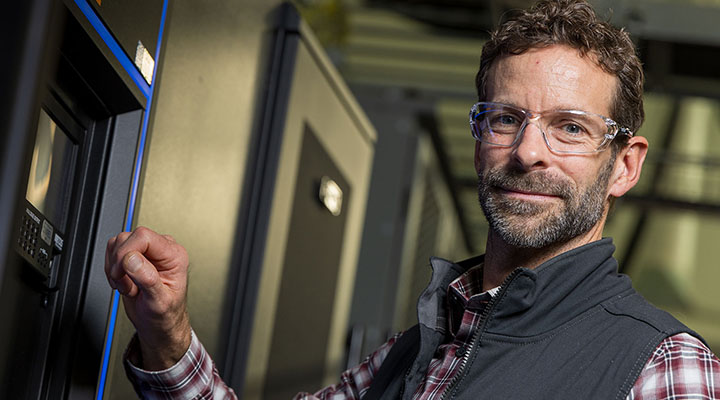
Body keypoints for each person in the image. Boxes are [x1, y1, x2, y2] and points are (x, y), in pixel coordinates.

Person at [105, 0, 720, 398]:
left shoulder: (663, 366)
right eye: (506, 119)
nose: (529, 152)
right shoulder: (418, 350)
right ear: (479, 137)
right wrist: (167, 331)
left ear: (625, 165)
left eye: (571, 128)